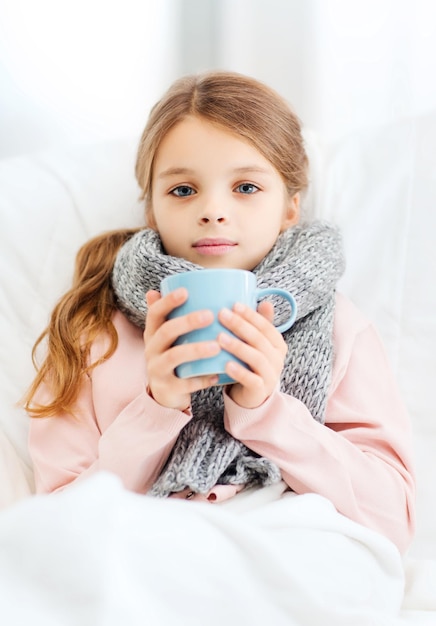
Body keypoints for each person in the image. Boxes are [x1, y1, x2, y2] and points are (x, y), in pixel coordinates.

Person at [23, 70, 415, 555]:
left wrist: (267, 413)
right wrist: (157, 409)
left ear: (291, 208)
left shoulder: (339, 327)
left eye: (246, 187)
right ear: (151, 211)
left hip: (296, 550)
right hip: (156, 555)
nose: (212, 210)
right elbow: (55, 531)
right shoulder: (94, 332)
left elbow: (392, 516)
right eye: (183, 190)